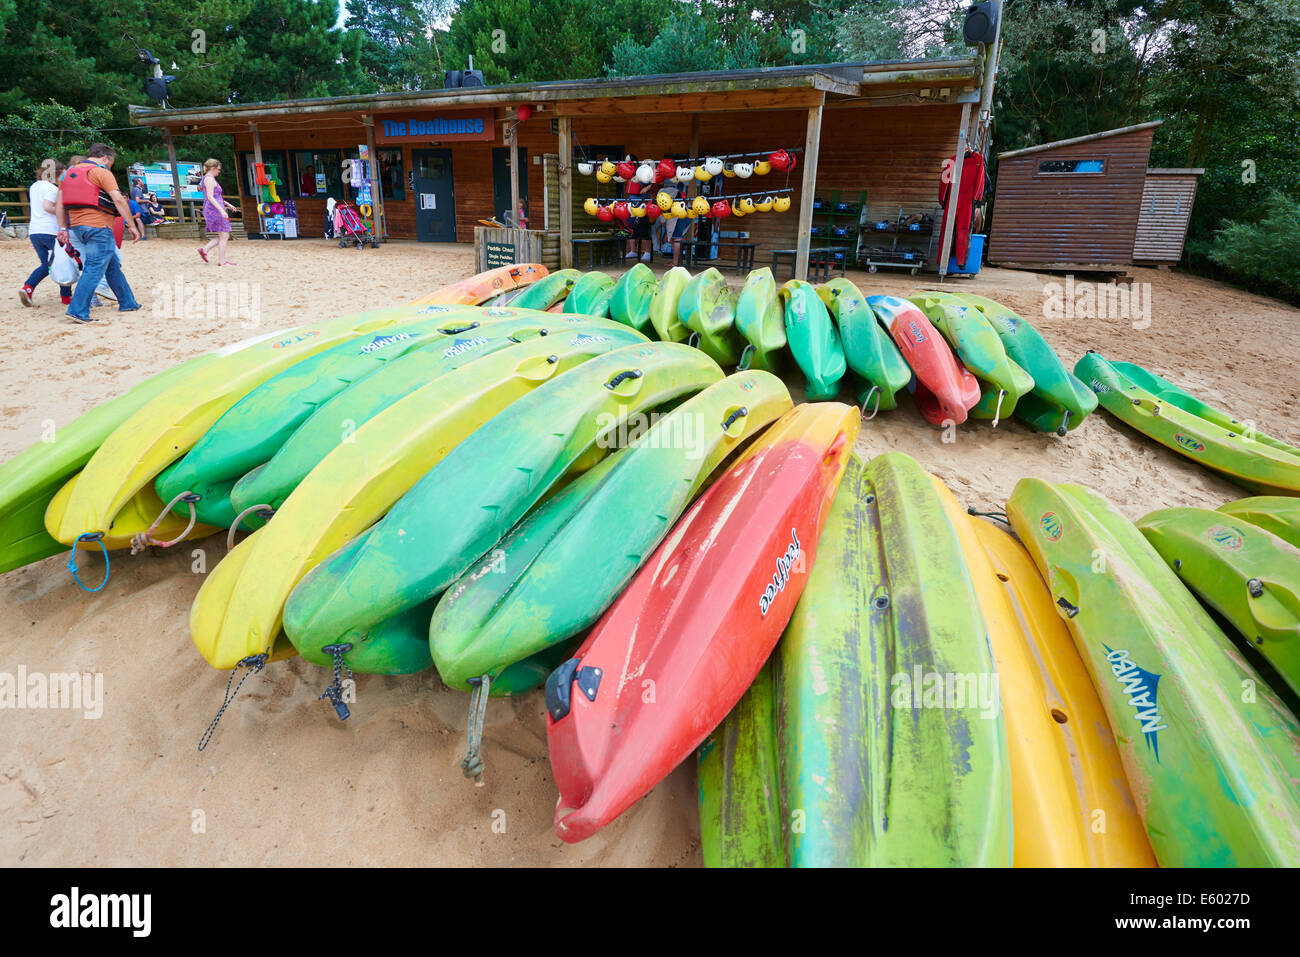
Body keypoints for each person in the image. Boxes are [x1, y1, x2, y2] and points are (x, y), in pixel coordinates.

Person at [54, 143, 141, 323]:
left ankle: (128, 302)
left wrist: (62, 228)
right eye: (110, 163)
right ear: (105, 158)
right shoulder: (101, 172)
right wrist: (132, 225)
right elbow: (118, 199)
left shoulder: (67, 174)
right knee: (94, 268)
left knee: (111, 265)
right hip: (98, 226)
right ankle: (77, 310)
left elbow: (59, 204)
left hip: (78, 227)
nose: (110, 167)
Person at [19, 159, 73, 307]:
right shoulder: (52, 189)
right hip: (49, 230)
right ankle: (29, 287)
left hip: (35, 230)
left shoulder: (34, 186)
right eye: (62, 175)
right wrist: (64, 211)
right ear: (56, 174)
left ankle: (30, 289)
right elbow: (47, 206)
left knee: (49, 264)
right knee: (61, 263)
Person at [197, 158, 238, 265]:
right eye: (218, 169)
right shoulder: (209, 179)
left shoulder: (210, 179)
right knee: (224, 235)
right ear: (213, 168)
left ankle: (205, 250)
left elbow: (217, 196)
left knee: (223, 235)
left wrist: (229, 205)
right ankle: (221, 261)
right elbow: (210, 197)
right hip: (214, 210)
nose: (219, 171)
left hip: (216, 208)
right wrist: (221, 210)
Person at [622, 154, 653, 263]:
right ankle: (633, 251)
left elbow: (655, 181)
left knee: (643, 226)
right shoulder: (629, 172)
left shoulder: (644, 170)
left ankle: (648, 252)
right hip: (632, 200)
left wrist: (646, 188)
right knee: (631, 225)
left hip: (643, 201)